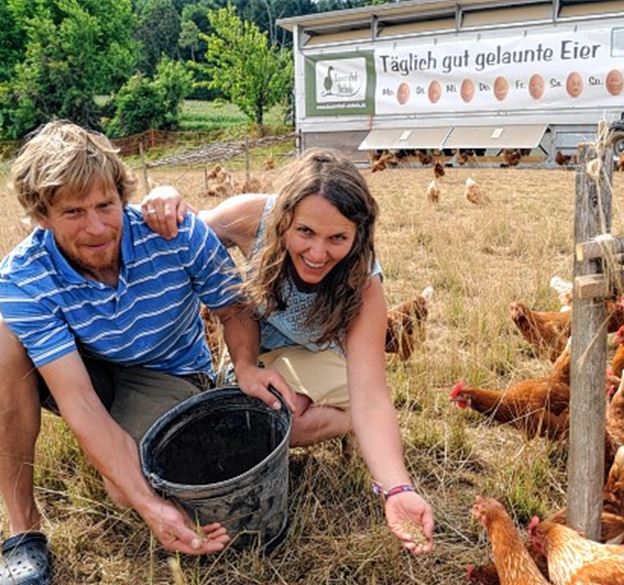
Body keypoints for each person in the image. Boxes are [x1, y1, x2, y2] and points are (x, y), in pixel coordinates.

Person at [0, 121, 296, 585]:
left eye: (106, 206)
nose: (96, 227)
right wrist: (152, 508)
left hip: (168, 370)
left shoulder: (173, 230)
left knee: (124, 489)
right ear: (41, 215)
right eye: (73, 212)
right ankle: (24, 532)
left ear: (122, 195)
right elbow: (79, 401)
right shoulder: (22, 276)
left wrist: (247, 367)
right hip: (83, 367)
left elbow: (233, 307)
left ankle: (136, 460)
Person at [142, 149, 435, 557]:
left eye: (338, 238)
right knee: (252, 423)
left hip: (323, 358)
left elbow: (371, 393)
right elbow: (184, 227)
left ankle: (350, 425)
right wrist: (167, 194)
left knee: (288, 419)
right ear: (283, 219)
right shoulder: (250, 218)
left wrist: (397, 488)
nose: (318, 253)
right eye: (306, 233)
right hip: (256, 352)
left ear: (358, 235)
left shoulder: (363, 283)